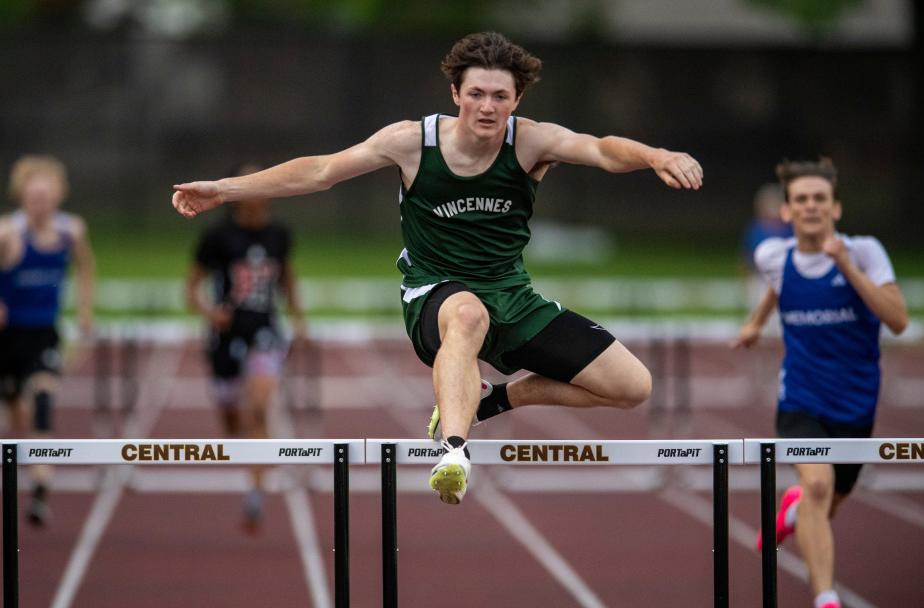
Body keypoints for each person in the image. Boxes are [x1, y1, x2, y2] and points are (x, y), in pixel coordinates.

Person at [173, 32, 703, 505]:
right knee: (467, 315)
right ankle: (453, 452)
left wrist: (654, 154)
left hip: (513, 298)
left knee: (632, 386)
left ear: (517, 99)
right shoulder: (411, 142)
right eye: (476, 94)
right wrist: (223, 190)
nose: (488, 107)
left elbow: (602, 149)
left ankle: (492, 400)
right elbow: (321, 171)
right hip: (435, 295)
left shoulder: (531, 141)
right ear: (455, 94)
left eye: (500, 96)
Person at [732, 158, 908, 608]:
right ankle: (827, 604)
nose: (810, 206)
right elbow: (776, 284)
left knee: (823, 507)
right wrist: (755, 323)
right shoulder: (773, 254)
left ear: (835, 208)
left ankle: (788, 513)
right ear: (787, 213)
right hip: (801, 400)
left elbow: (898, 320)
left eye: (819, 199)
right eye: (801, 200)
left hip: (856, 404)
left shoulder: (866, 252)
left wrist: (846, 266)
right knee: (816, 489)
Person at [185, 161, 306, 531]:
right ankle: (247, 446)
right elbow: (191, 288)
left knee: (258, 410)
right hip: (226, 333)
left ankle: (256, 493)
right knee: (230, 415)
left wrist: (299, 317)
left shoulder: (279, 234)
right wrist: (210, 313)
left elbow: (286, 277)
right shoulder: (218, 236)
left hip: (265, 331)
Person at [0, 155, 95, 526]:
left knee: (42, 398)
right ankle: (26, 460)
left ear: (58, 196)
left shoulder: (72, 231)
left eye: (46, 195)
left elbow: (86, 266)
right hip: (7, 338)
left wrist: (85, 310)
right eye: (32, 196)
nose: (39, 202)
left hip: (44, 333)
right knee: (16, 411)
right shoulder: (7, 233)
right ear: (22, 196)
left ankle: (40, 491)